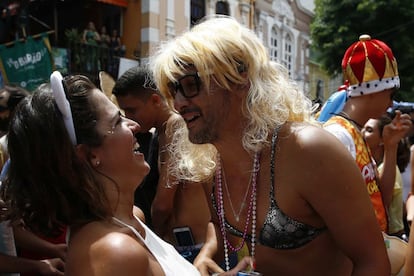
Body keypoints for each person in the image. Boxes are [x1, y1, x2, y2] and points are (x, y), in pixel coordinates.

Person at [150, 15, 390, 275]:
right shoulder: (210, 165)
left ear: (239, 79)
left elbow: (373, 262)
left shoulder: (308, 150)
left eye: (189, 85)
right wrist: (207, 255)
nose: (178, 103)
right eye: (173, 91)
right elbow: (222, 228)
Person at [0, 71, 249, 275]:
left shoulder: (131, 219)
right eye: (117, 121)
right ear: (89, 155)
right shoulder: (115, 253)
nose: (135, 125)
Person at [112, 65, 212, 263]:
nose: (129, 118)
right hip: (185, 247)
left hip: (194, 250)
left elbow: (163, 203)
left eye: (132, 110)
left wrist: (153, 239)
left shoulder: (177, 126)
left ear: (155, 100)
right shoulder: (161, 132)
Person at [324, 34, 412, 234]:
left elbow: (382, 199)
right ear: (373, 91)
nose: (391, 104)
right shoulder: (338, 136)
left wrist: (390, 147)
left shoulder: (354, 133)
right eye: (391, 95)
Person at [362, 115, 410, 239]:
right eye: (362, 128)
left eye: (369, 130)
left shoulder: (386, 169)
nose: (362, 133)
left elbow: (383, 201)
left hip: (391, 239)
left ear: (383, 140)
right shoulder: (371, 164)